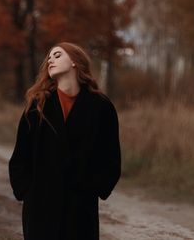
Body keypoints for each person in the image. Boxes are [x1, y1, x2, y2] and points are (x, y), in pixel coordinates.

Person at [8, 41, 121, 240]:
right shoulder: (38, 105)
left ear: (75, 62)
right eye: (49, 57)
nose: (50, 59)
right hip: (41, 206)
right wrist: (28, 191)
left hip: (81, 207)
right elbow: (20, 155)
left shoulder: (101, 107)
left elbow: (111, 157)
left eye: (58, 55)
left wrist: (94, 187)